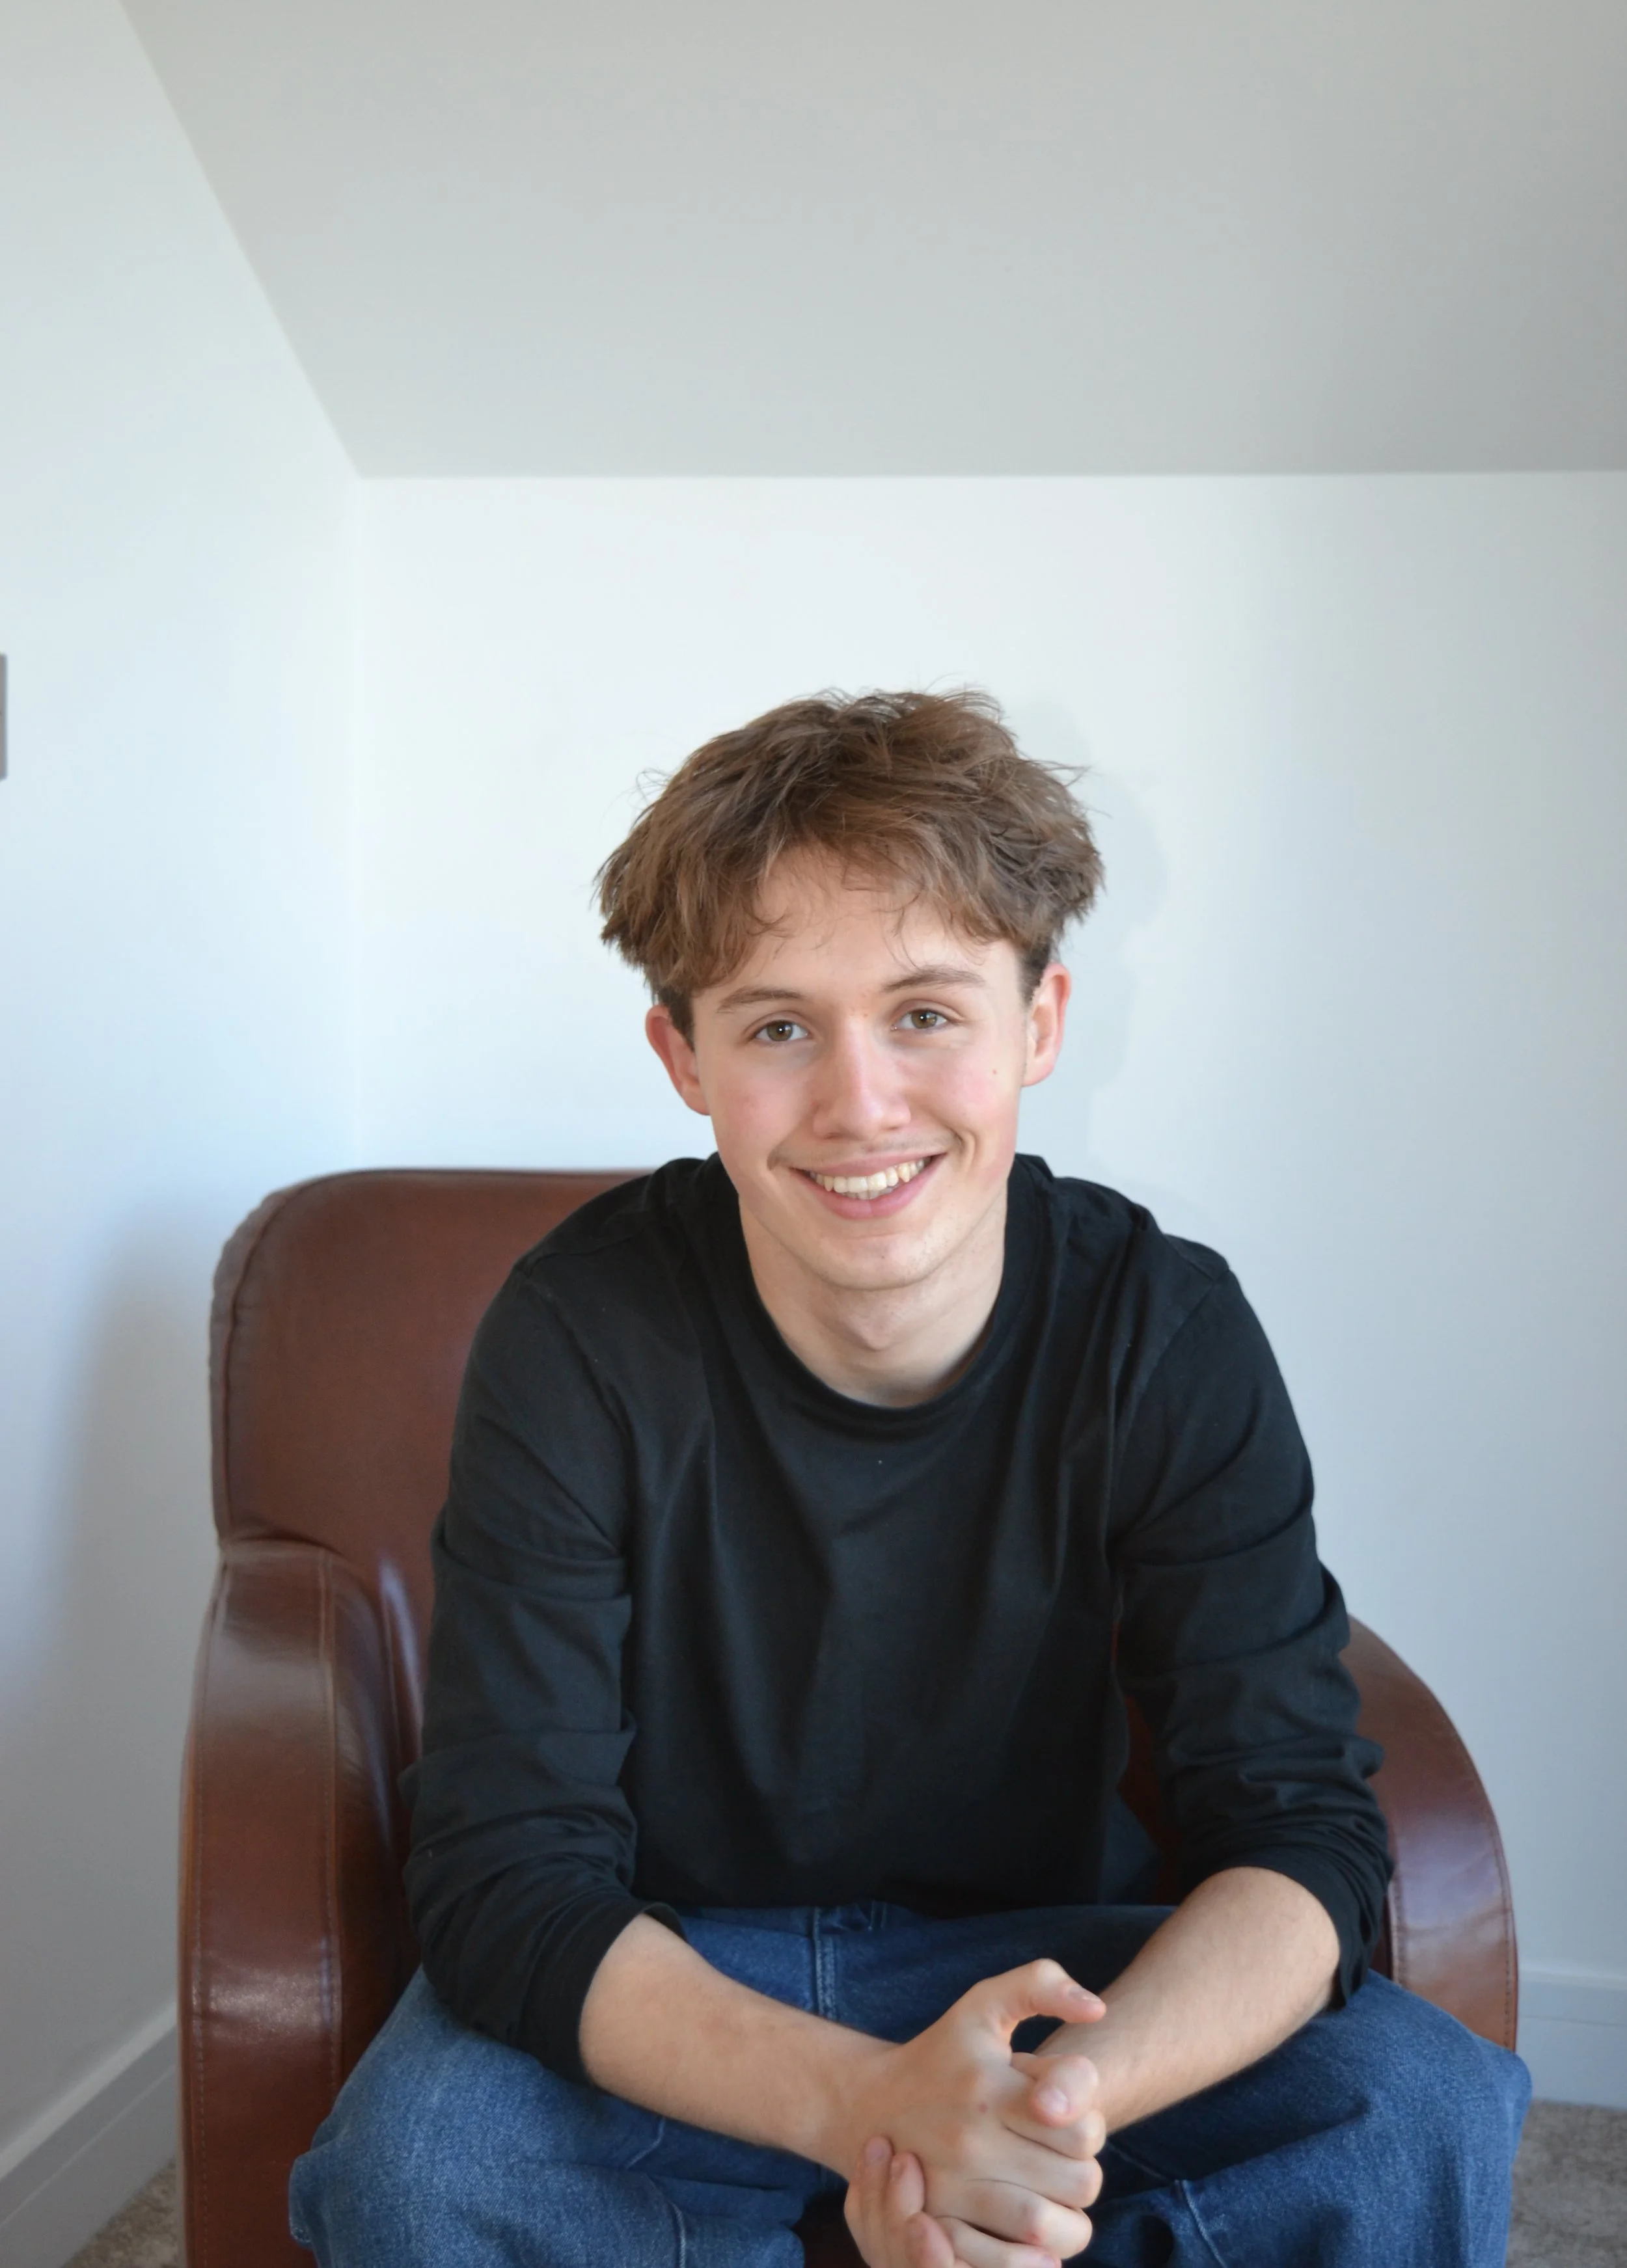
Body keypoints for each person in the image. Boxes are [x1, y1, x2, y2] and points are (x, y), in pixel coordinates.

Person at [290, 689, 1528, 2268]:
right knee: (422, 2162)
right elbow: (507, 1878)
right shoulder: (575, 1329)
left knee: (1419, 2110)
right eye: (778, 1025)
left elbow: (1295, 1837)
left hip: (1056, 1981)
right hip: (686, 1978)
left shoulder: (1166, 1326)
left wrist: (1043, 2122)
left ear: (1039, 1025)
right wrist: (879, 2109)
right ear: (682, 1054)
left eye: (927, 1013)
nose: (860, 1105)